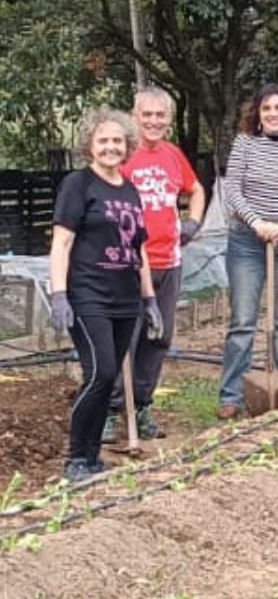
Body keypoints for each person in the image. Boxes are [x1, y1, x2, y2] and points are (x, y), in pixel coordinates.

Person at [49, 108, 163, 481]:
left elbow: (138, 248)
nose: (110, 147)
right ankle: (76, 458)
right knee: (101, 372)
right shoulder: (78, 184)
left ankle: (92, 457)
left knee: (107, 378)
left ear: (127, 145)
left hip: (125, 299)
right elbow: (62, 242)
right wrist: (59, 294)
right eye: (103, 141)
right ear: (90, 145)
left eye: (117, 140)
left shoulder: (129, 189)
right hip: (88, 295)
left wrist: (150, 300)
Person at [102, 87, 206, 443]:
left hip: (169, 261)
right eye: (147, 114)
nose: (153, 121)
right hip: (129, 264)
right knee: (123, 338)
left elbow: (196, 189)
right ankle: (111, 409)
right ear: (135, 116)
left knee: (159, 338)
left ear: (169, 120)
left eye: (160, 115)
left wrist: (192, 223)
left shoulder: (173, 155)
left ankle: (143, 405)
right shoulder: (122, 155)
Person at [218, 84, 278, 419]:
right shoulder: (244, 144)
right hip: (246, 242)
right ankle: (231, 394)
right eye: (266, 109)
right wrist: (257, 223)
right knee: (243, 321)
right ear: (257, 115)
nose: (273, 114)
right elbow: (233, 189)